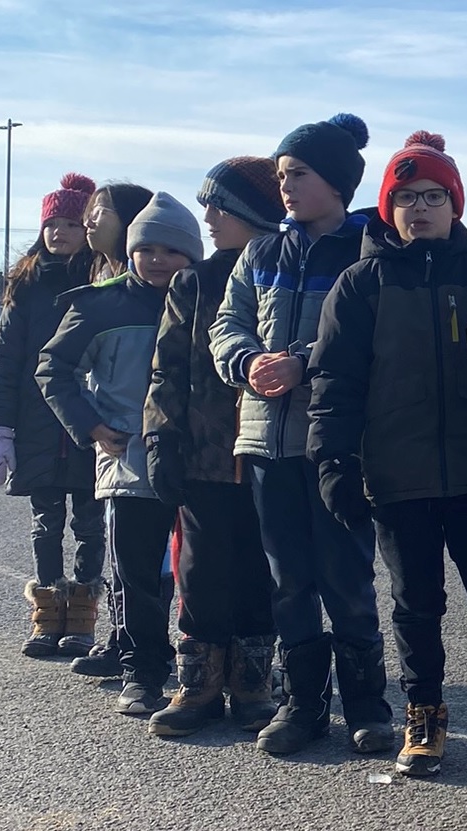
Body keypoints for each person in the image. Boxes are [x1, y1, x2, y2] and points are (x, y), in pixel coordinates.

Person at [308, 131, 467, 778]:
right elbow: (335, 382)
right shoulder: (362, 285)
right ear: (388, 207)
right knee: (415, 604)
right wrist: (334, 461)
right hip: (397, 474)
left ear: (455, 203)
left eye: (433, 195)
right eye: (405, 196)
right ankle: (424, 713)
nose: (419, 208)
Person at [211, 112, 393, 758]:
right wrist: (246, 362)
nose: (284, 186)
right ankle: (302, 704)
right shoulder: (260, 254)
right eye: (282, 174)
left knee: (345, 575)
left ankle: (369, 706)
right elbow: (226, 325)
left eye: (298, 174)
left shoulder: (370, 249)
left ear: (337, 181)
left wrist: (301, 359)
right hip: (265, 444)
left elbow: (371, 333)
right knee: (288, 579)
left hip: (335, 444)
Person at [37, 193, 204, 715]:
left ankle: (204, 668)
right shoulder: (99, 304)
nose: (158, 259)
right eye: (146, 248)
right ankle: (142, 671)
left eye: (172, 250)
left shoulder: (210, 299)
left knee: (204, 570)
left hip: (201, 458)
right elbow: (53, 368)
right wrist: (89, 425)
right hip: (128, 458)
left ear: (192, 256)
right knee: (135, 573)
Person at [142, 158, 287, 738]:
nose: (207, 219)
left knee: (260, 567)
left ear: (251, 215)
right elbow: (166, 370)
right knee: (199, 570)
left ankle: (253, 680)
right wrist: (160, 438)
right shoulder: (193, 281)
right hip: (202, 459)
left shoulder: (284, 270)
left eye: (218, 208)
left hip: (265, 452)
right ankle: (198, 683)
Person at [0, 173, 104, 659]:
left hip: (88, 424)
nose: (59, 232)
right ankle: (47, 610)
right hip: (35, 428)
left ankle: (83, 613)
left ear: (88, 230)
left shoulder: (99, 280)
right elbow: (3, 360)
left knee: (91, 524)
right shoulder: (24, 286)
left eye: (72, 223)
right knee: (45, 522)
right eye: (52, 223)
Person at [83, 182, 154, 284]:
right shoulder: (96, 277)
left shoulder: (150, 284)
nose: (88, 223)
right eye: (91, 213)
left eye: (99, 212)